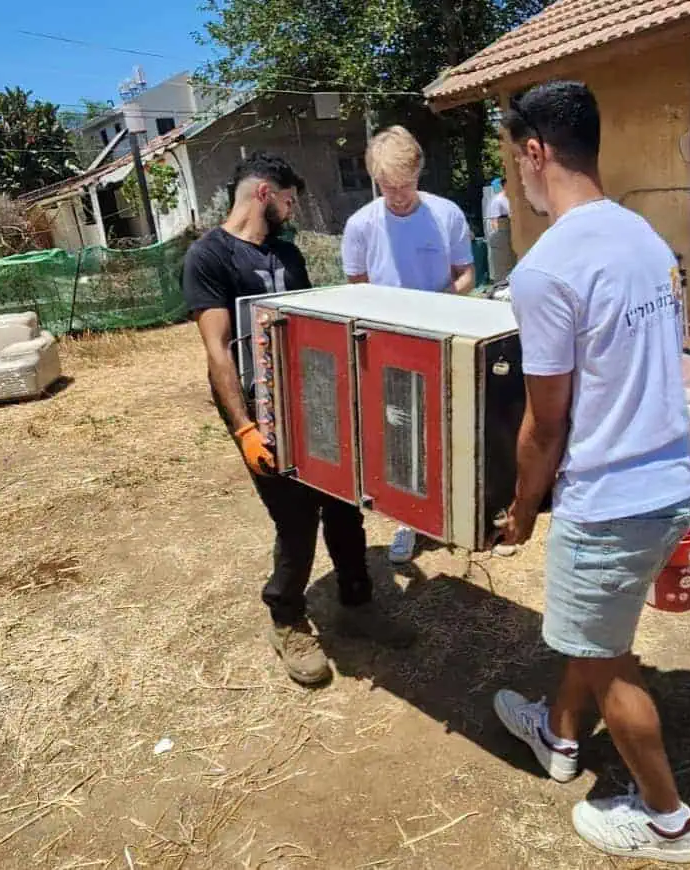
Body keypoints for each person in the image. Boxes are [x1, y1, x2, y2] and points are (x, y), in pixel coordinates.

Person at [494, 83, 690, 863]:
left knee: (611, 660)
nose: (517, 174)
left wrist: (519, 510)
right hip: (671, 486)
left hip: (610, 501)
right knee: (595, 631)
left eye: (516, 158)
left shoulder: (546, 268)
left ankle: (666, 821)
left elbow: (545, 422)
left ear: (537, 152)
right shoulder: (645, 238)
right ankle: (556, 734)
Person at [182, 153, 413, 688]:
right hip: (259, 413)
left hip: (312, 403)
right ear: (264, 191)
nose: (292, 210)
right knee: (295, 521)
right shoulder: (209, 257)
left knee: (343, 505)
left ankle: (358, 604)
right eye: (288, 200)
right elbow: (217, 353)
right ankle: (286, 619)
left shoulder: (286, 253)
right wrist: (244, 429)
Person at [341, 125, 475, 564]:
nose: (397, 195)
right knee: (401, 434)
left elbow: (466, 274)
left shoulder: (447, 215)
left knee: (449, 427)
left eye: (405, 185)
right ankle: (407, 517)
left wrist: (443, 309)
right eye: (387, 187)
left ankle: (452, 513)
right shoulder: (361, 225)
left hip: (443, 338)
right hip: (389, 347)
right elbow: (356, 289)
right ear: (374, 181)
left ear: (419, 173)